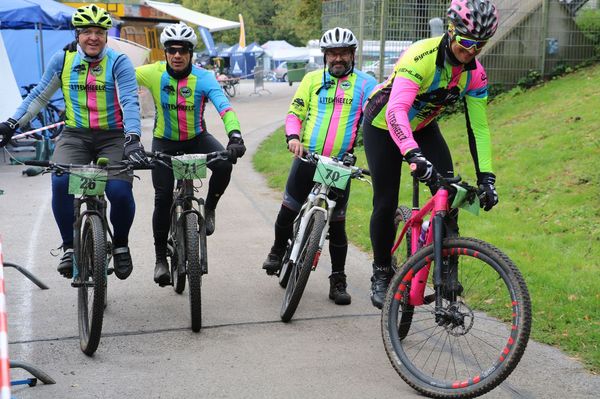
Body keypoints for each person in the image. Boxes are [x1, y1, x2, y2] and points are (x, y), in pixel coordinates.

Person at [362, 0, 500, 309]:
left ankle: (448, 273)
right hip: (383, 124)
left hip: (423, 125)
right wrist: (413, 155)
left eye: (480, 45)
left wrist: (487, 179)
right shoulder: (420, 56)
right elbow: (397, 110)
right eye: (466, 42)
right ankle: (382, 272)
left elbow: (479, 129)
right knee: (385, 201)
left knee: (448, 190)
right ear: (451, 31)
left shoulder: (475, 74)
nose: (471, 52)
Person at [0, 4, 146, 280]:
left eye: (99, 32)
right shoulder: (63, 60)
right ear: (77, 35)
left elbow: (130, 101)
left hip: (114, 135)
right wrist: (11, 124)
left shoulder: (118, 62)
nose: (93, 37)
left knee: (119, 192)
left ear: (106, 36)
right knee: (59, 181)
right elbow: (39, 97)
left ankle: (122, 245)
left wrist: (133, 138)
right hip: (75, 135)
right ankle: (69, 246)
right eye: (87, 31)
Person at [261, 27, 376, 305]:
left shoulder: (365, 84)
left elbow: (378, 117)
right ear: (325, 55)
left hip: (339, 163)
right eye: (333, 53)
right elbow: (295, 113)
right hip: (308, 157)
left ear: (352, 55)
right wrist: (293, 137)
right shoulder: (312, 80)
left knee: (337, 225)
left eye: (344, 53)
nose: (338, 58)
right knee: (288, 209)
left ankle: (338, 280)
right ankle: (278, 250)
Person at [135, 22, 245, 287]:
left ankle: (211, 208)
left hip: (196, 138)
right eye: (171, 50)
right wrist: (81, 55)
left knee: (224, 164)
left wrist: (235, 136)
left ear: (191, 53)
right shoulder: (152, 73)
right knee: (162, 199)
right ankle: (160, 258)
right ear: (164, 52)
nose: (177, 55)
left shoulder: (204, 78)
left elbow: (224, 107)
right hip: (164, 142)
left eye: (182, 50)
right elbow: (117, 72)